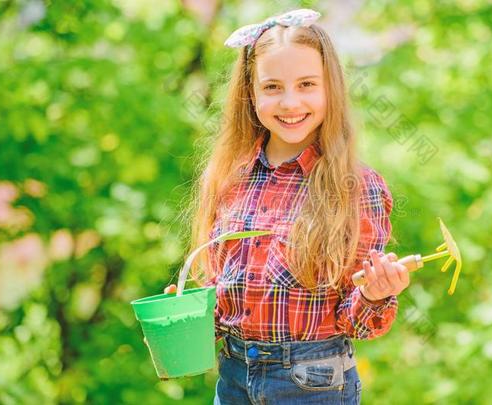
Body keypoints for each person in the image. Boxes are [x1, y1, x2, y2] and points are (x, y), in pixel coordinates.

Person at [165, 9, 411, 404]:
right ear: (251, 93)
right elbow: (224, 290)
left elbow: (354, 319)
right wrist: (191, 313)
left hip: (312, 383)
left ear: (331, 88)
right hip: (233, 379)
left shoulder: (354, 187)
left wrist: (377, 294)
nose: (290, 101)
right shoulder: (231, 178)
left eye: (307, 84)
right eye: (273, 87)